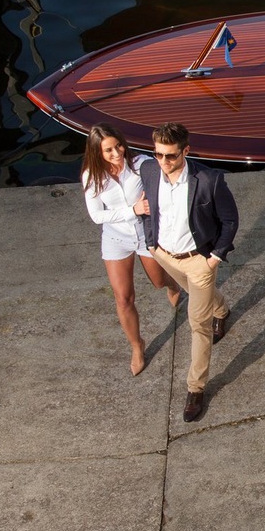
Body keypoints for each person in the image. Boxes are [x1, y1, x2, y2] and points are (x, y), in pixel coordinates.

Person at [136, 122, 239, 422]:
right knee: (199, 297)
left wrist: (214, 258)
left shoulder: (209, 180)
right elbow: (149, 208)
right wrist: (150, 242)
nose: (164, 162)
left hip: (198, 261)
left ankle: (196, 388)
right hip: (164, 254)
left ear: (186, 151)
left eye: (170, 155)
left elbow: (230, 221)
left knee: (198, 324)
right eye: (158, 154)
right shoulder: (149, 170)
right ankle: (222, 310)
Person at [80, 123, 181, 376]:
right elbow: (97, 216)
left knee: (159, 281)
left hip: (146, 234)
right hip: (116, 239)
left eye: (118, 146)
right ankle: (137, 346)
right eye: (108, 150)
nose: (117, 153)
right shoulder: (92, 177)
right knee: (123, 299)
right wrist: (132, 210)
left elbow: (169, 181)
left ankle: (173, 285)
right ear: (97, 152)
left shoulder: (141, 165)